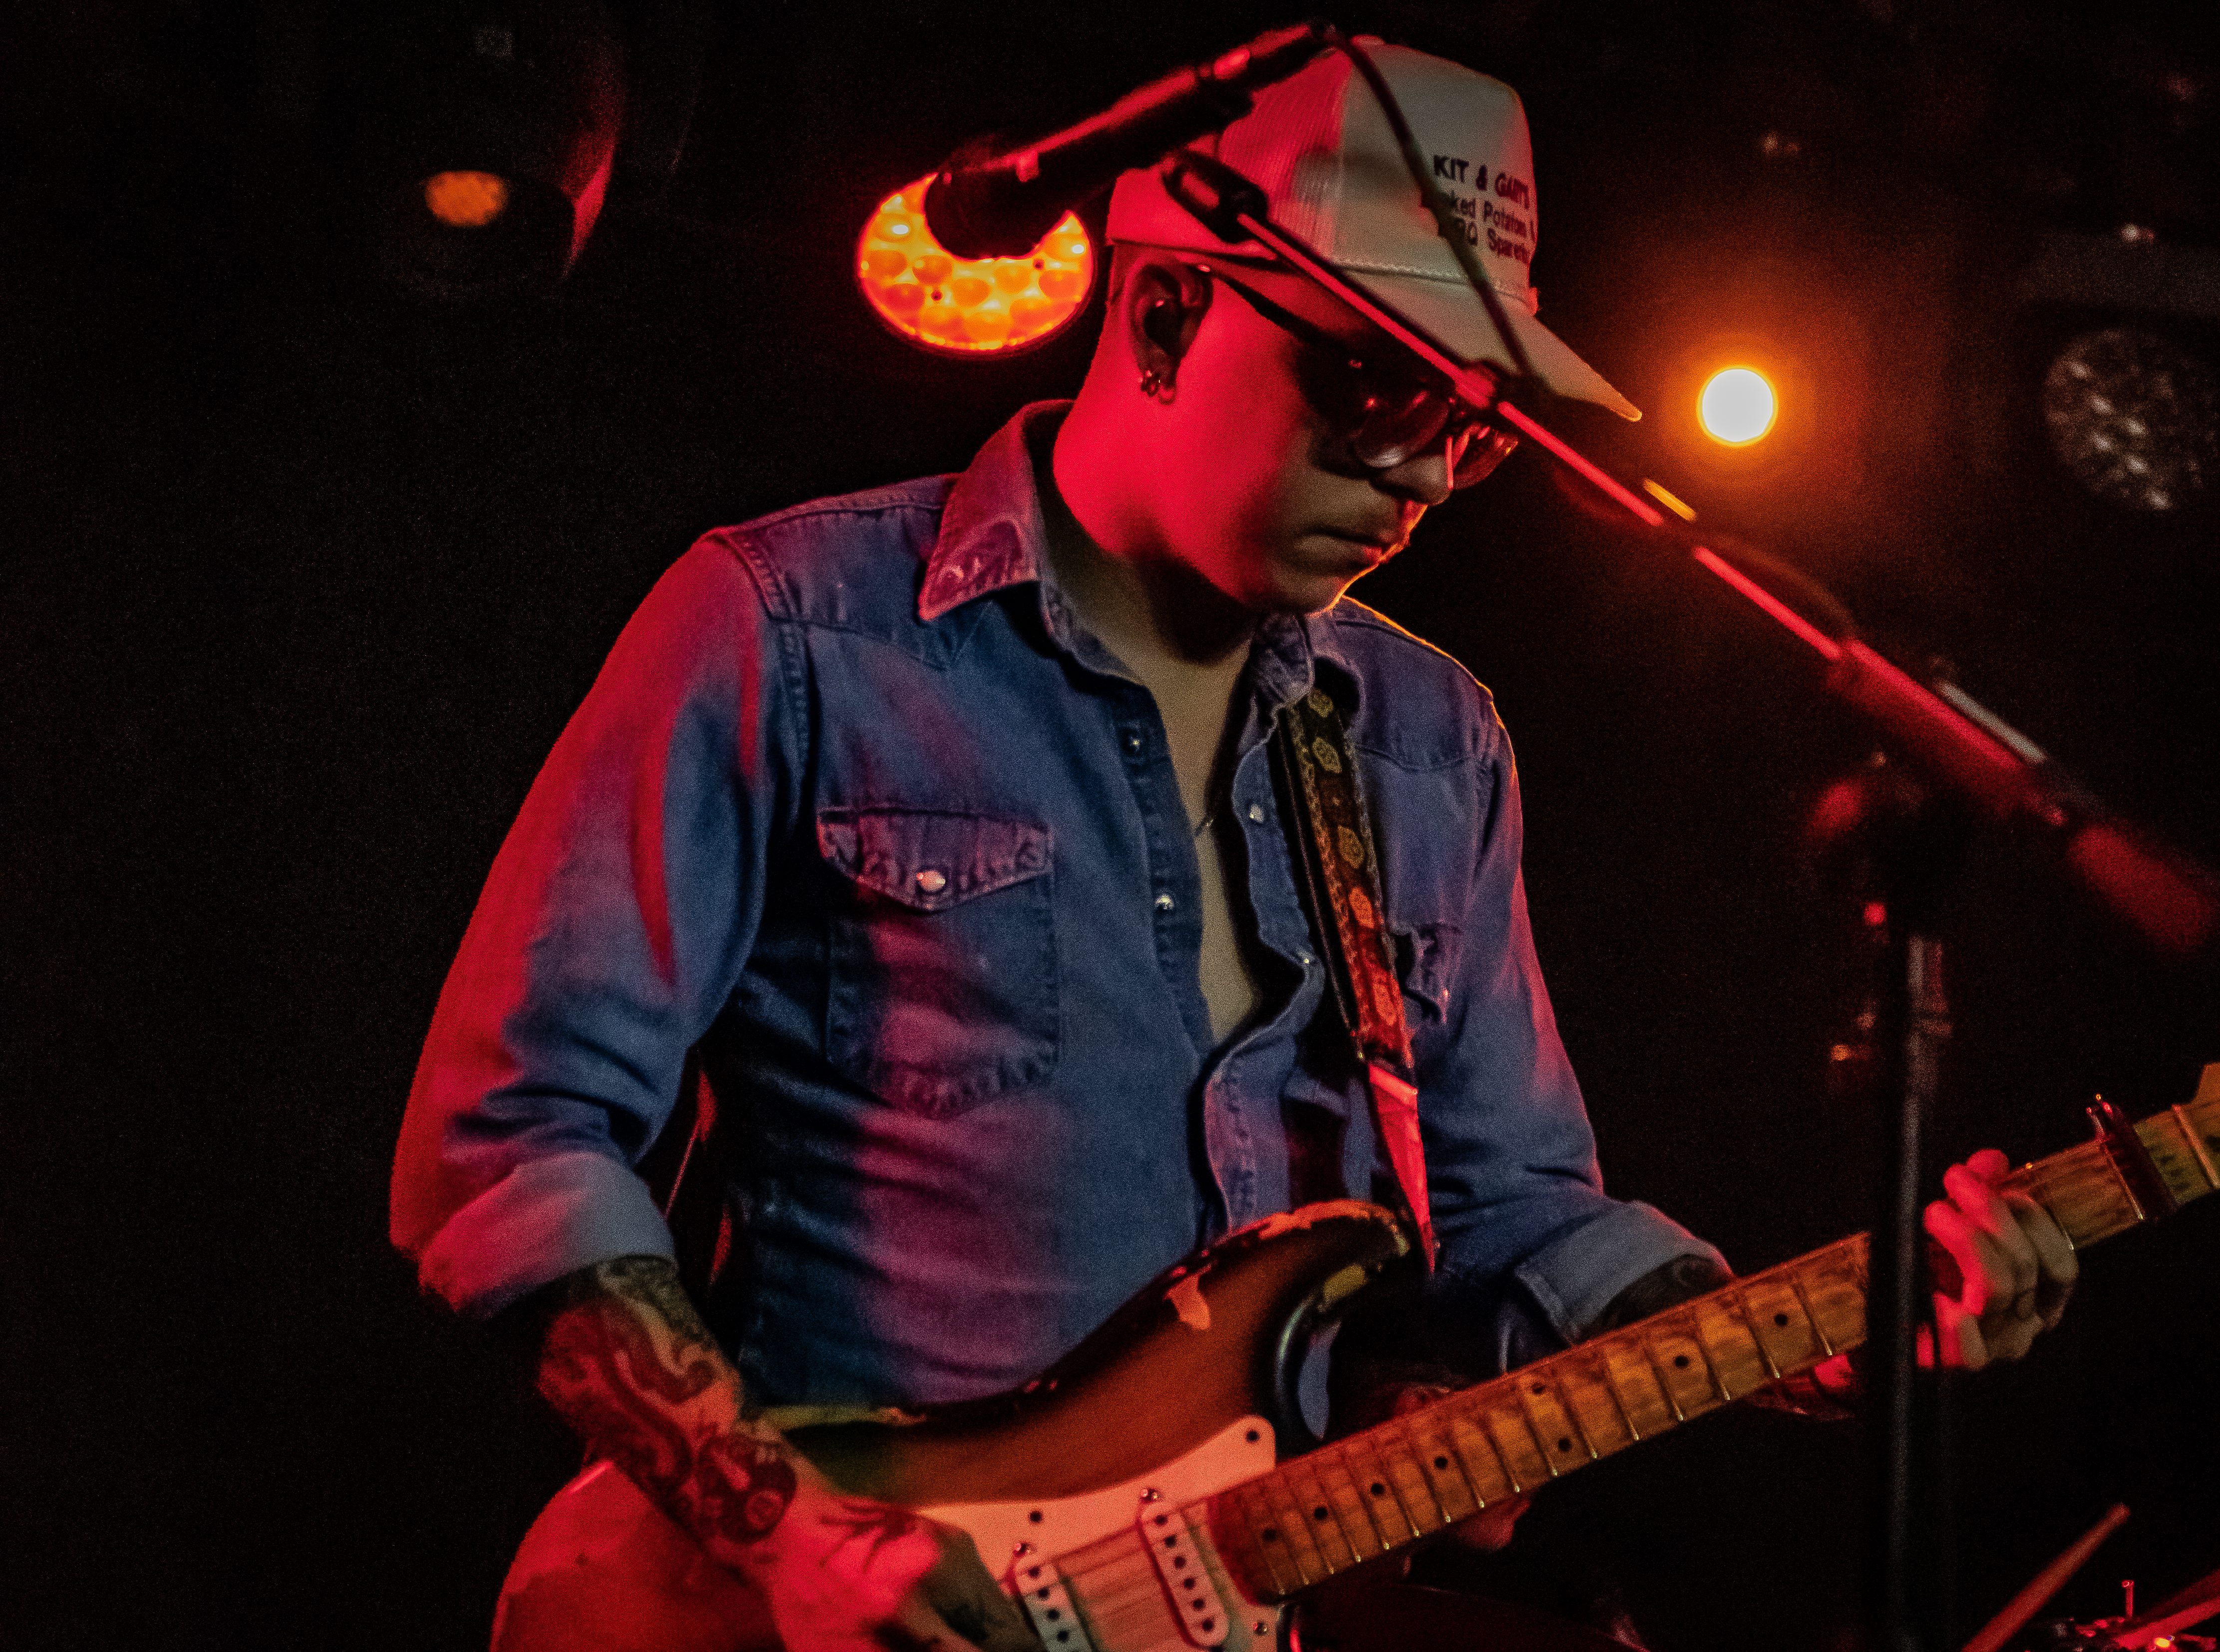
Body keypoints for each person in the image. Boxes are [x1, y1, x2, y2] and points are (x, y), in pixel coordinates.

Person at [390, 40, 2076, 1652]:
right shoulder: (800, 629)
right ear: (1168, 307)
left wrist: (1823, 1346)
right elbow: (508, 1141)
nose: (1419, 467)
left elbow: (1509, 1212)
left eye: (1479, 424)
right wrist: (792, 1535)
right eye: (1374, 385)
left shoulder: (1430, 739)